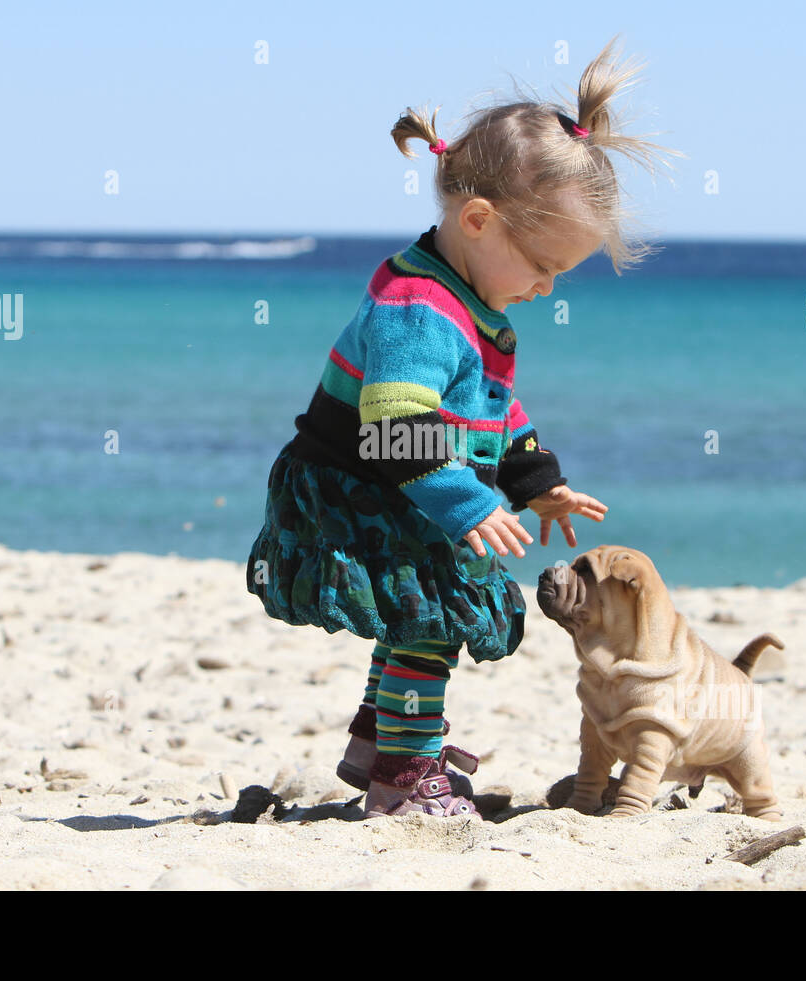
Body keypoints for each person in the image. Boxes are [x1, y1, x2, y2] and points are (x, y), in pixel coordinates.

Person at [246, 37, 674, 818]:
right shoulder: (420, 310)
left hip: (401, 483)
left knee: (418, 611)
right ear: (479, 220)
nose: (546, 288)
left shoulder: (472, 303)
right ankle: (405, 776)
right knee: (431, 618)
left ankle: (382, 741)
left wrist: (538, 484)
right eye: (543, 265)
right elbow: (394, 424)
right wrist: (470, 505)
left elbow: (492, 414)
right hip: (358, 486)